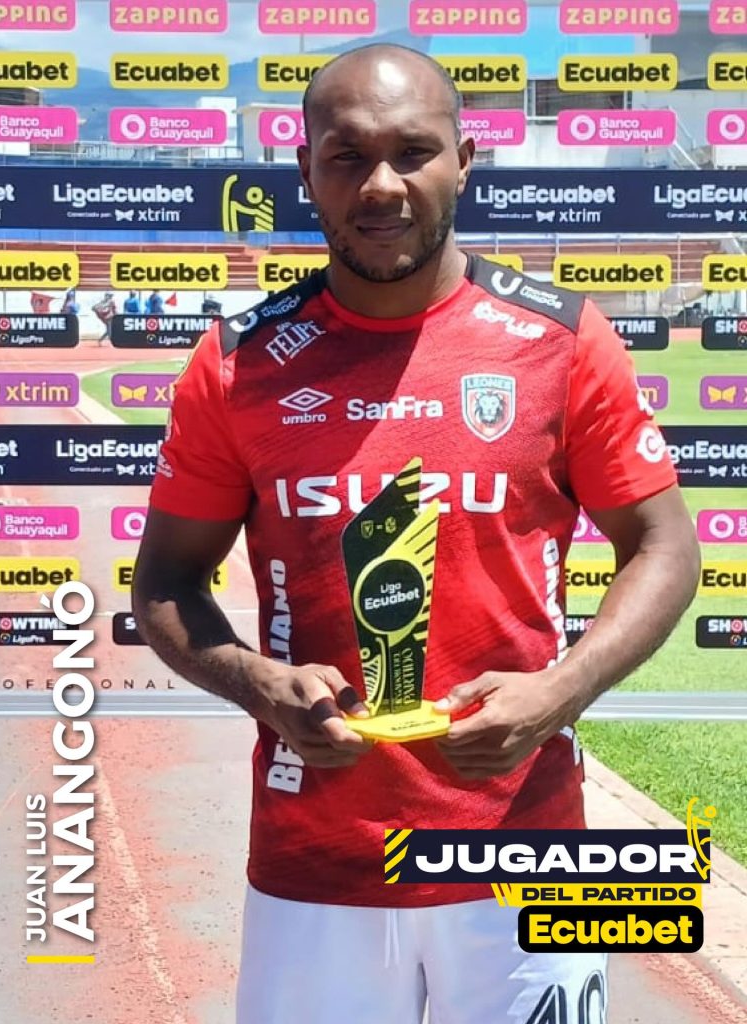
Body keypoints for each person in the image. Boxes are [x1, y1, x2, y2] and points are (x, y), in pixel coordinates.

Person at [132, 43, 700, 1024]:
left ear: (465, 160)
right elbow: (166, 585)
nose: (382, 185)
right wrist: (261, 684)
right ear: (306, 169)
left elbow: (664, 545)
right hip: (315, 865)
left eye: (413, 151)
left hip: (530, 852)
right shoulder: (237, 365)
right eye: (347, 156)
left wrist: (558, 691)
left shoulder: (563, 341)